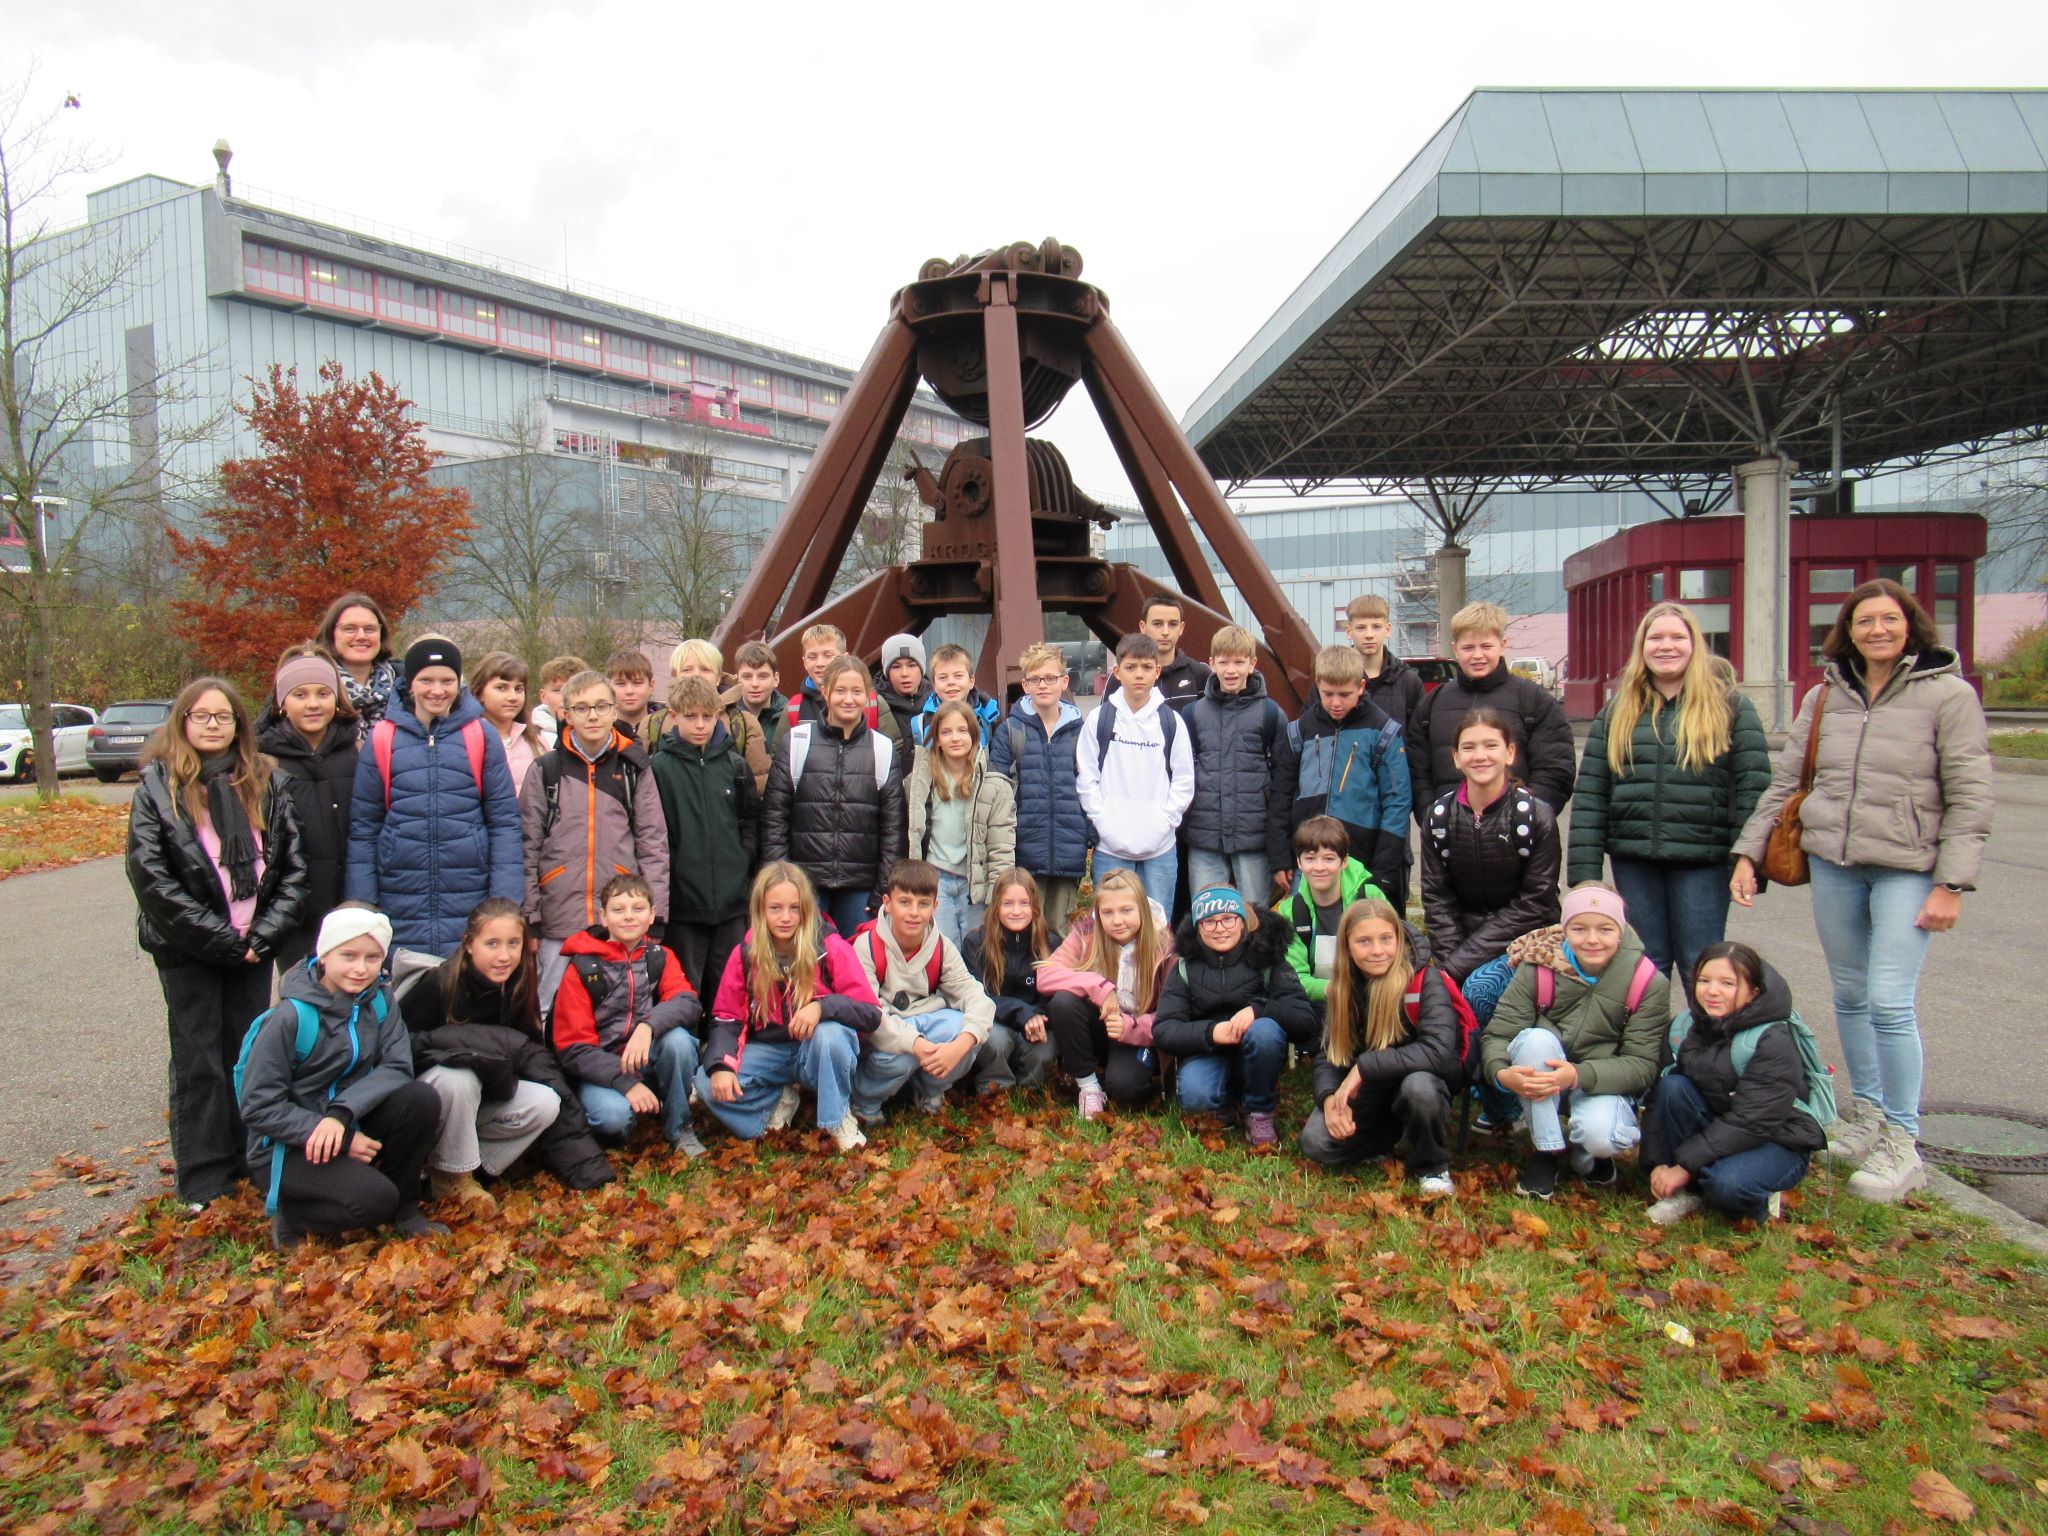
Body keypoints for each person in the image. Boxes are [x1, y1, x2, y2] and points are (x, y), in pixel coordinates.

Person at [1732, 578, 1993, 1204]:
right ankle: (1869, 1117)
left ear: (1912, 627)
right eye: (1864, 621)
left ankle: (1904, 1142)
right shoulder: (1826, 699)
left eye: (1889, 620)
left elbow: (1970, 792)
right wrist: (1748, 854)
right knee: (1849, 994)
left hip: (1907, 867)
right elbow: (1786, 783)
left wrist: (1952, 882)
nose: (1876, 631)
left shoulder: (1949, 696)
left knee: (1888, 1000)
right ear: (1847, 630)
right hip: (1835, 864)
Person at [129, 676, 309, 1211]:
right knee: (199, 1060)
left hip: (252, 948)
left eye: (224, 717)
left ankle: (246, 1159)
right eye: (202, 716)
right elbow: (152, 878)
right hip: (189, 950)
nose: (213, 725)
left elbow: (292, 869)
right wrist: (218, 940)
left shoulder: (265, 783)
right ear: (182, 723)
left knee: (245, 1056)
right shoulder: (157, 789)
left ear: (239, 725)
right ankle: (204, 1178)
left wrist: (262, 937)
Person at [1569, 603, 1770, 980]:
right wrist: (1585, 878)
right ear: (1641, 646)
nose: (1666, 646)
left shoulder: (1731, 707)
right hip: (1634, 859)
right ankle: (1649, 1041)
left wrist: (1749, 859)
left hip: (1703, 862)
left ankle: (1705, 1040)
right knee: (1645, 966)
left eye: (1677, 637)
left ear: (1695, 644)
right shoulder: (1617, 712)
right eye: (1655, 637)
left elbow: (1754, 790)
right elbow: (1592, 796)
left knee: (1701, 963)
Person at [237, 904, 446, 1250]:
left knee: (419, 1099)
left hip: (346, 1120)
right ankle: (293, 1214)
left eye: (373, 957)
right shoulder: (290, 1018)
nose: (361, 968)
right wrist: (341, 1138)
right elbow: (258, 1106)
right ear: (324, 955)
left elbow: (397, 1066)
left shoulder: (380, 1000)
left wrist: (342, 1115)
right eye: (348, 955)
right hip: (288, 1145)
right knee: (374, 1201)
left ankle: (405, 1211)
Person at [399, 898, 614, 1209]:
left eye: (514, 943)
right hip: (432, 1105)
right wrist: (468, 1045)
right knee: (460, 1078)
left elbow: (532, 1058)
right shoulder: (439, 984)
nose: (504, 955)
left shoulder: (518, 984)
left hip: (485, 1098)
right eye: (492, 944)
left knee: (545, 1102)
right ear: (469, 944)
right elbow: (403, 1046)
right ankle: (450, 1175)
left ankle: (470, 1167)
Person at [1480, 884, 1669, 1200]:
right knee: (1534, 1040)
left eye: (1605, 929)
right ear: (1565, 929)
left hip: (1600, 1081)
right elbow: (1499, 1034)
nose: (1592, 939)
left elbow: (1642, 1065)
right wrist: (1501, 1073)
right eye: (1579, 929)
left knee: (1601, 1137)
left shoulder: (1647, 982)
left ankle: (1591, 1153)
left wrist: (1577, 1075)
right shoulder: (1538, 966)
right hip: (1543, 1078)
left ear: (1620, 931)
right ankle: (1546, 1152)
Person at [345, 636, 523, 955]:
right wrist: (363, 903)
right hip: (399, 895)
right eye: (426, 680)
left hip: (470, 892)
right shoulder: (383, 737)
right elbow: (364, 827)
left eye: (447, 680)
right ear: (409, 684)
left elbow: (504, 823)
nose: (437, 690)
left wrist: (505, 899)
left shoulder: (480, 735)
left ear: (459, 683)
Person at [697, 862, 881, 1151]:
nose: (785, 917)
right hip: (769, 1052)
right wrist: (721, 1064)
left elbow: (870, 1013)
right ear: (760, 910)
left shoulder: (829, 946)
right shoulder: (745, 954)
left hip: (815, 1052)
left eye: (794, 908)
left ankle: (837, 1119)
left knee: (831, 1034)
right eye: (775, 908)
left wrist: (822, 1007)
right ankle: (775, 1104)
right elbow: (727, 1017)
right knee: (706, 1083)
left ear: (806, 909)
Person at [1643, 942, 1825, 1224]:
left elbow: (1753, 1121)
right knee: (1672, 1088)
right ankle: (1687, 1192)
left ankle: (1757, 1194)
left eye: (1728, 983)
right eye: (1704, 980)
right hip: (1722, 1125)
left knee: (1727, 1186)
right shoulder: (1684, 1026)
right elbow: (1658, 1097)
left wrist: (1684, 1167)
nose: (1712, 991)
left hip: (1777, 1137)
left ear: (1753, 992)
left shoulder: (1771, 1039)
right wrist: (1659, 1163)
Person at [520, 668, 669, 1007]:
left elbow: (652, 844)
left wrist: (655, 914)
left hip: (619, 917)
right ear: (566, 713)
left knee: (616, 1008)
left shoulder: (634, 768)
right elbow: (527, 846)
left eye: (601, 706)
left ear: (614, 711)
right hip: (559, 915)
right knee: (554, 1006)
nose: (592, 716)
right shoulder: (546, 771)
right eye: (582, 708)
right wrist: (530, 916)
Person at [1298, 899, 1463, 1196]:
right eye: (1364, 941)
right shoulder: (1344, 986)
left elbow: (1439, 1050)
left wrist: (1365, 1066)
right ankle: (1389, 1137)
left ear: (1398, 940)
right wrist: (1329, 1099)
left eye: (1386, 939)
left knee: (1420, 1090)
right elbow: (1329, 1054)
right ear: (1347, 946)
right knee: (1316, 1142)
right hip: (1373, 1089)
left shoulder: (1424, 980)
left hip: (1419, 1076)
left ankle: (1432, 1164)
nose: (1377, 950)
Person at [550, 873, 706, 1157]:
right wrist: (626, 1082)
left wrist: (648, 1027)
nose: (628, 917)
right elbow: (573, 1048)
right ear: (603, 916)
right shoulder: (583, 967)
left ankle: (679, 1128)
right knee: (612, 1118)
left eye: (637, 909)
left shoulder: (660, 956)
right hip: (601, 1070)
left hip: (646, 1056)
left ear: (651, 915)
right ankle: (620, 1125)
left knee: (679, 1042)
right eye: (618, 910)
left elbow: (687, 1002)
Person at [1420, 709, 1563, 1015]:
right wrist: (1448, 963)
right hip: (1458, 944)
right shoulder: (1438, 818)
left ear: (1510, 753)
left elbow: (1536, 903)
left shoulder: (1535, 816)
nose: (1480, 756)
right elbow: (1436, 898)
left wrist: (1459, 965)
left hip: (1525, 942)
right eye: (1469, 748)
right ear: (1456, 757)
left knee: (1478, 989)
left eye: (1491, 745)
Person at [1153, 886, 1317, 1146]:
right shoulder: (1184, 967)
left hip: (1256, 1048)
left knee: (1265, 1032)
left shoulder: (1268, 957)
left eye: (1228, 918)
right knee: (1195, 1096)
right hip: (1207, 1052)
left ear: (1242, 921)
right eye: (1209, 921)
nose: (1220, 928)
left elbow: (1305, 1020)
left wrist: (1259, 1010)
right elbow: (1164, 1030)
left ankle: (1259, 1110)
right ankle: (1226, 1101)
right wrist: (1211, 1032)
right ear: (1198, 927)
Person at [761, 654, 907, 941]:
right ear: (825, 692)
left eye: (856, 692)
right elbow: (774, 818)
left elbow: (893, 828)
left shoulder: (882, 748)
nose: (848, 699)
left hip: (861, 888)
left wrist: (884, 888)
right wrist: (781, 880)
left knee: (857, 970)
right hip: (803, 883)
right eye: (840, 691)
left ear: (868, 695)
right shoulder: (797, 742)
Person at [849, 859, 997, 1119]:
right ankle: (866, 1100)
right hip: (888, 1029)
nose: (914, 912)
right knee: (902, 1054)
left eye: (923, 904)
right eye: (904, 902)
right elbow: (870, 1014)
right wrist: (913, 1044)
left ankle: (929, 1089)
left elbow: (976, 996)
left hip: (926, 1022)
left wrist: (963, 1043)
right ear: (887, 903)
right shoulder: (867, 946)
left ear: (935, 907)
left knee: (964, 1029)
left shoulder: (941, 946)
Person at [650, 676, 761, 1000]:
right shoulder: (659, 768)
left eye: (707, 716)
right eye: (690, 716)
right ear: (673, 715)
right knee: (686, 990)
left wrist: (742, 860)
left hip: (731, 902)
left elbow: (750, 819)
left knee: (731, 989)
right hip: (684, 906)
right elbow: (655, 835)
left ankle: (723, 1048)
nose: (700, 725)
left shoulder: (735, 765)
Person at [1409, 601, 1576, 817]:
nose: (1477, 655)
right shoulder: (1432, 704)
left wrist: (1528, 816)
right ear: (1455, 649)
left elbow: (1555, 769)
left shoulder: (1534, 700)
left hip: (1518, 834)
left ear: (1502, 645)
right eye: (1468, 648)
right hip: (1448, 833)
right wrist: (1431, 816)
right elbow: (1417, 771)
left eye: (1486, 646)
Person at [1278, 644, 1411, 908]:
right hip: (1308, 855)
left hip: (1362, 857)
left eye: (1344, 694)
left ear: (1361, 687)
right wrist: (1280, 856)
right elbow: (1281, 794)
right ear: (1317, 685)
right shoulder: (1299, 731)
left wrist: (1384, 870)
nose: (1336, 703)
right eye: (1328, 694)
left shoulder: (1383, 731)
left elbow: (1397, 802)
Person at [1038, 869, 1176, 1118]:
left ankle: (1127, 1072)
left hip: (1136, 1033)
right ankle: (1088, 1086)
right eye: (1107, 913)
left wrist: (1131, 1027)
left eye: (1126, 910)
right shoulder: (1085, 935)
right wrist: (1098, 987)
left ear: (1142, 910)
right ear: (1098, 915)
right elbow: (1044, 975)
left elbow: (1171, 1015)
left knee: (1127, 1089)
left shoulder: (1164, 947)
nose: (1117, 920)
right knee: (1064, 1001)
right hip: (1094, 1026)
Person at [1076, 633, 1194, 913]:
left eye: (1145, 667)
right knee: (1109, 927)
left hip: (1160, 848)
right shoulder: (1099, 719)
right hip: (1110, 848)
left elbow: (1184, 780)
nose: (1138, 675)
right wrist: (1103, 822)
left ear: (1157, 671)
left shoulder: (1171, 721)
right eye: (1130, 667)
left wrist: (1166, 820)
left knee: (1158, 927)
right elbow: (1086, 778)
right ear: (1117, 672)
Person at [259, 647, 358, 973]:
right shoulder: (264, 763)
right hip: (292, 910)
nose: (313, 703)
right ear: (282, 704)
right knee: (301, 999)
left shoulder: (356, 752)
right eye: (300, 694)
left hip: (349, 903)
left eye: (323, 693)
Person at [1183, 625, 1295, 905]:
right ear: (1211, 664)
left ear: (1252, 664)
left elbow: (1283, 776)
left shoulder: (1270, 713)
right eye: (1223, 662)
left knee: (1256, 914)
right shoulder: (1194, 713)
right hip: (1205, 834)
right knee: (1206, 911)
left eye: (1238, 662)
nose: (1230, 670)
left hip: (1253, 836)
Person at [989, 641, 1091, 932]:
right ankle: (1027, 980)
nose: (1043, 685)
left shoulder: (1079, 732)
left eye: (1050, 678)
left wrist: (1089, 836)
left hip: (1067, 847)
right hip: (1025, 850)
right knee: (1024, 927)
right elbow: (999, 790)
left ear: (1064, 681)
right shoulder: (1011, 730)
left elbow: (1090, 786)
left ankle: (1053, 979)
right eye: (1035, 679)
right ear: (1025, 684)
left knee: (1058, 929)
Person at [906, 698, 1017, 949]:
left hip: (974, 884)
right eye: (946, 732)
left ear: (975, 735)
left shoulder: (994, 786)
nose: (955, 738)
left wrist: (997, 891)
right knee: (944, 951)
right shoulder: (920, 782)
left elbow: (1001, 845)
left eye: (962, 730)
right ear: (936, 738)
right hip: (936, 880)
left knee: (976, 950)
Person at [1278, 816, 1387, 1018]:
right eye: (1310, 858)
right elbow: (1294, 977)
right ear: (1299, 862)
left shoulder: (1370, 896)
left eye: (1328, 858)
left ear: (1344, 861)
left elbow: (1392, 953)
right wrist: (1338, 990)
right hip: (1318, 1004)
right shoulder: (1290, 911)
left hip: (1371, 998)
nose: (1319, 867)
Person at [964, 868, 1061, 1095]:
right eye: (1008, 904)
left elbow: (1055, 997)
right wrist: (1021, 1012)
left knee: (1044, 1050)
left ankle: (1029, 1090)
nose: (1016, 911)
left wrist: (1035, 1016)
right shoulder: (975, 942)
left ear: (1035, 907)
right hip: (995, 1019)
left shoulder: (1052, 943)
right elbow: (977, 995)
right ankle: (995, 1086)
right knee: (995, 1041)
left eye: (1024, 903)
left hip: (1036, 1022)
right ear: (996, 906)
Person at [671, 637, 770, 791]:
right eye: (687, 669)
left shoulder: (743, 723)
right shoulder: (657, 722)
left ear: (718, 677)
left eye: (705, 669)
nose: (696, 675)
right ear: (675, 675)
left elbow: (759, 786)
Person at [318, 592, 401, 743]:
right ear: (332, 634)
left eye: (370, 629)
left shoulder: (405, 685)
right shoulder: (311, 683)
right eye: (350, 629)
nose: (361, 636)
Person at [469, 651, 544, 796]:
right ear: (479, 692)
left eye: (518, 689)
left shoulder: (538, 743)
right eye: (501, 688)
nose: (512, 697)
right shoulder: (465, 741)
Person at [1348, 594, 1423, 735]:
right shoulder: (1334, 678)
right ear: (1349, 631)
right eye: (1361, 628)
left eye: (1376, 627)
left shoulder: (1408, 682)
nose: (1369, 634)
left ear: (1388, 629)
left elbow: (1418, 740)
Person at [724, 640, 790, 792]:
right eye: (747, 676)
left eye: (762, 676)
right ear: (737, 679)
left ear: (776, 679)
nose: (755, 684)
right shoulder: (725, 718)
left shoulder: (790, 715)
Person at [911, 643, 1002, 747]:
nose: (951, 682)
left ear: (971, 681)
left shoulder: (988, 717)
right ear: (934, 685)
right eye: (943, 677)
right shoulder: (922, 723)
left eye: (958, 676)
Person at [1136, 593, 1213, 712]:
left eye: (1172, 624)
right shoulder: (1125, 675)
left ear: (1181, 628)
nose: (1165, 632)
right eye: (1157, 624)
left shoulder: (1200, 673)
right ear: (1143, 627)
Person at [789, 623, 851, 729]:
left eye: (828, 655)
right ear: (805, 663)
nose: (820, 663)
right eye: (812, 657)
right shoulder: (794, 707)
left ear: (845, 659)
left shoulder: (871, 703)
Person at [876, 633, 930, 747]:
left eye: (912, 665)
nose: (904, 673)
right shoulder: (874, 704)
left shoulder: (937, 700)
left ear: (921, 668)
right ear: (887, 671)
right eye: (896, 667)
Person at [531, 654, 588, 752]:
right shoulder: (531, 738)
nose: (565, 697)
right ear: (543, 696)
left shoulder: (601, 733)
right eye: (557, 690)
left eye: (574, 689)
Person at [604, 647, 659, 746]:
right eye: (620, 684)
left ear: (651, 686)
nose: (629, 691)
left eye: (637, 683)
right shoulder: (600, 732)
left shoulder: (669, 727)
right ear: (608, 687)